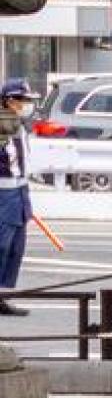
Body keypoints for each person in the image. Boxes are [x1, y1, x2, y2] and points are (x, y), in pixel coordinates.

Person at [0, 78, 38, 316]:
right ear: (8, 100)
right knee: (1, 245)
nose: (26, 104)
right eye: (22, 100)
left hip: (20, 191)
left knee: (15, 248)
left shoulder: (19, 124)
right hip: (4, 193)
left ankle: (2, 295)